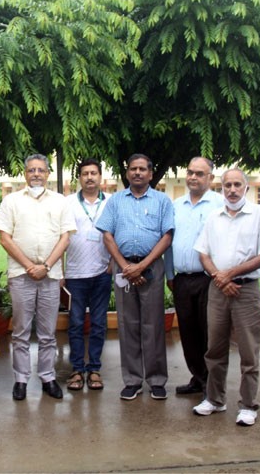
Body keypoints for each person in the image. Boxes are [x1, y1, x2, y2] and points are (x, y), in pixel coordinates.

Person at [192, 168, 260, 426]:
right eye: (228, 185)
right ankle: (215, 400)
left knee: (249, 351)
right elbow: (203, 253)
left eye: (238, 185)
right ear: (222, 187)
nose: (232, 189)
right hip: (218, 289)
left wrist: (231, 274)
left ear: (246, 188)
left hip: (246, 289)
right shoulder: (214, 216)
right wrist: (220, 277)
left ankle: (248, 405)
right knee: (214, 349)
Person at [0, 154, 76, 400]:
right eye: (32, 170)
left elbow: (65, 237)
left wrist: (47, 266)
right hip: (22, 274)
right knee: (20, 330)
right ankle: (20, 379)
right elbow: (4, 238)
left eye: (41, 170)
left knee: (47, 331)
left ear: (48, 174)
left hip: (50, 276)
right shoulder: (11, 201)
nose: (36, 174)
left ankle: (48, 377)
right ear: (25, 174)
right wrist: (30, 265)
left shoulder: (60, 201)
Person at [96, 154, 174, 401]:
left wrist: (141, 266)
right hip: (123, 268)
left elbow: (167, 236)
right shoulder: (116, 201)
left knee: (153, 326)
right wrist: (126, 267)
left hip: (152, 268)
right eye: (133, 169)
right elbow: (107, 235)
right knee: (127, 325)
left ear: (151, 174)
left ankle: (156, 380)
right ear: (127, 173)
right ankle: (132, 380)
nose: (138, 172)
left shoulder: (162, 201)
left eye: (142, 169)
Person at [164, 157, 222, 395]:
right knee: (187, 332)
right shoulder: (176, 205)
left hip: (209, 279)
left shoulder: (219, 204)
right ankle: (197, 378)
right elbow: (167, 242)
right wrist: (170, 275)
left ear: (210, 178)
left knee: (210, 332)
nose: (193, 177)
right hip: (182, 279)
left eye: (200, 174)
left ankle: (213, 383)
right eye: (190, 172)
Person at [62, 158, 112, 391]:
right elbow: (59, 236)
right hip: (74, 274)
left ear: (100, 176)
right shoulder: (68, 203)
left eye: (94, 173)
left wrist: (113, 262)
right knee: (76, 323)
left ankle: (94, 369)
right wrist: (60, 270)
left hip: (102, 272)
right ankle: (76, 370)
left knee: (99, 323)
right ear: (79, 178)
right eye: (85, 173)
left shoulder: (111, 203)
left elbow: (117, 233)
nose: (89, 177)